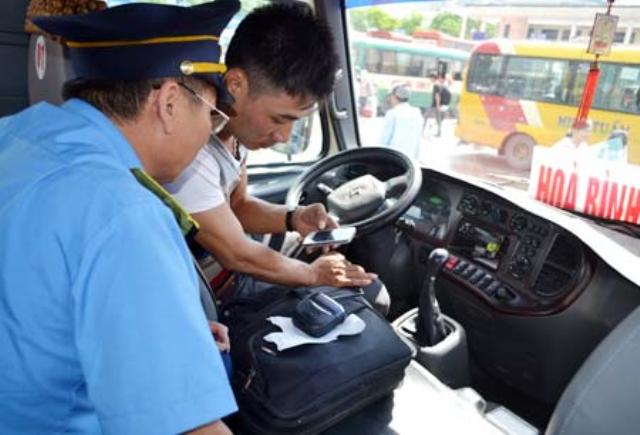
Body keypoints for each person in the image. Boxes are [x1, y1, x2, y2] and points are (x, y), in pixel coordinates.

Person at [0, 2, 240, 434]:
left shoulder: (14, 134)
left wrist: (164, 323)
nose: (210, 131)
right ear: (169, 103)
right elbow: (191, 429)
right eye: (211, 114)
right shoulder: (124, 211)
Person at [165, 3, 390, 313]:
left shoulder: (233, 132)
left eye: (295, 122)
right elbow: (236, 253)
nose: (284, 136)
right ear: (235, 85)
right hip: (211, 300)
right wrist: (313, 274)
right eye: (277, 119)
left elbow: (238, 205)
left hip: (233, 278)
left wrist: (294, 217)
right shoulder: (189, 152)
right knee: (371, 296)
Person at [378, 84, 423, 161]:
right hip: (409, 160)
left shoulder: (392, 113)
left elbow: (384, 141)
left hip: (393, 159)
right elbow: (418, 142)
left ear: (394, 96)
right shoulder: (417, 113)